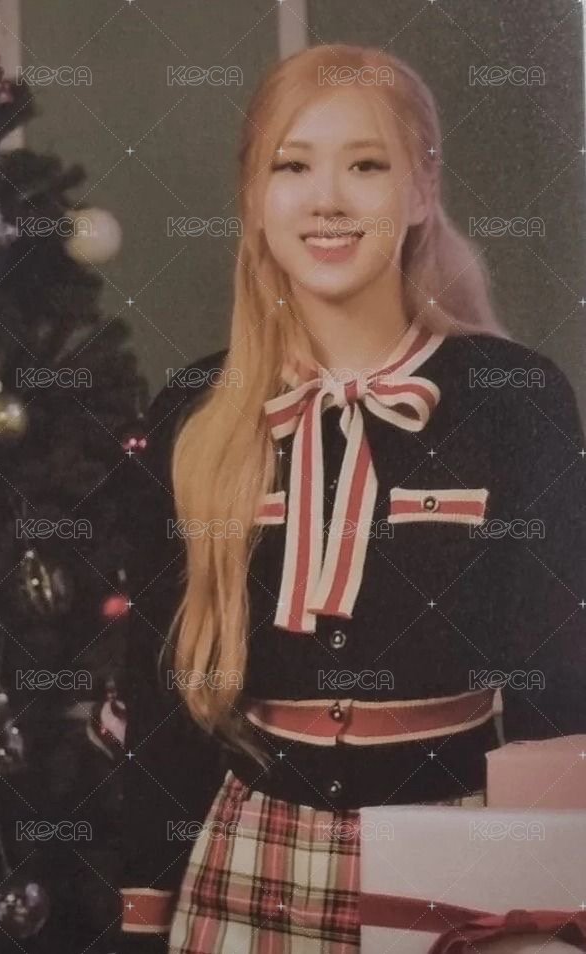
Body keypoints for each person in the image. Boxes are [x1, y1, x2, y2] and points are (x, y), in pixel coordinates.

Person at [117, 43, 586, 953]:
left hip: (461, 863)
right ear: (254, 197)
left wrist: (549, 908)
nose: (326, 199)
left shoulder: (516, 399)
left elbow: (558, 680)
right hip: (247, 861)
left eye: (365, 165)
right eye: (291, 166)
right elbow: (162, 696)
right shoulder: (192, 407)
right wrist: (144, 914)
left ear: (420, 191)